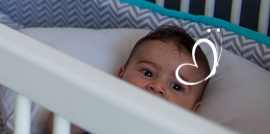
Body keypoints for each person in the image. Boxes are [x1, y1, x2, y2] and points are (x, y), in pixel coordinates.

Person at [46, 25, 211, 133]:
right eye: (148, 73)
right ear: (121, 75)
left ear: (193, 110)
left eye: (176, 87)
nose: (157, 86)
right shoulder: (106, 111)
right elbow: (56, 127)